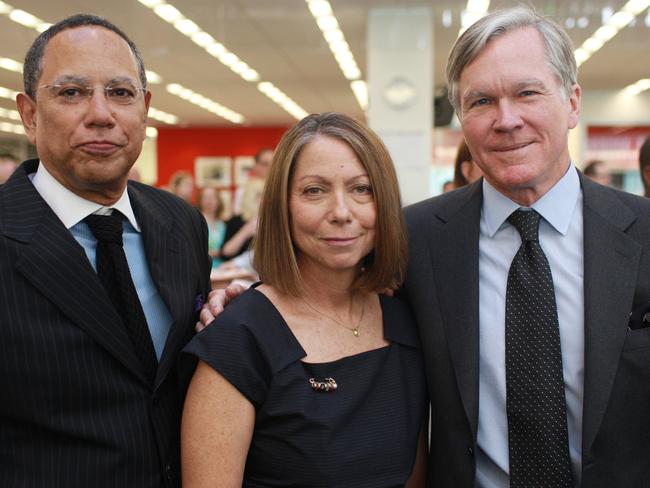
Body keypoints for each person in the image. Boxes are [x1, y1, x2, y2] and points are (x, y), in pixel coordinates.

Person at [202, 7, 650, 488]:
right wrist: (243, 296)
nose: (506, 119)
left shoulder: (642, 232)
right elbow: (328, 283)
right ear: (461, 119)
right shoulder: (416, 239)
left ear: (573, 102)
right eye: (480, 102)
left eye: (527, 93)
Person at [1, 14, 211, 487]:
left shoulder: (182, 223)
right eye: (71, 93)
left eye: (120, 93)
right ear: (30, 114)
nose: (101, 114)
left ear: (145, 109)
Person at [182, 112, 428, 487]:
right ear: (283, 206)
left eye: (362, 189)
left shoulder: (405, 320)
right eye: (315, 190)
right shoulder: (239, 338)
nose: (342, 213)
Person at [197, 185, 227, 269]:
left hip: (222, 268)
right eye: (205, 197)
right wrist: (221, 252)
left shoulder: (222, 224)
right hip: (203, 269)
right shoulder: (197, 222)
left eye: (212, 196)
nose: (209, 200)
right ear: (200, 200)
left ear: (218, 201)